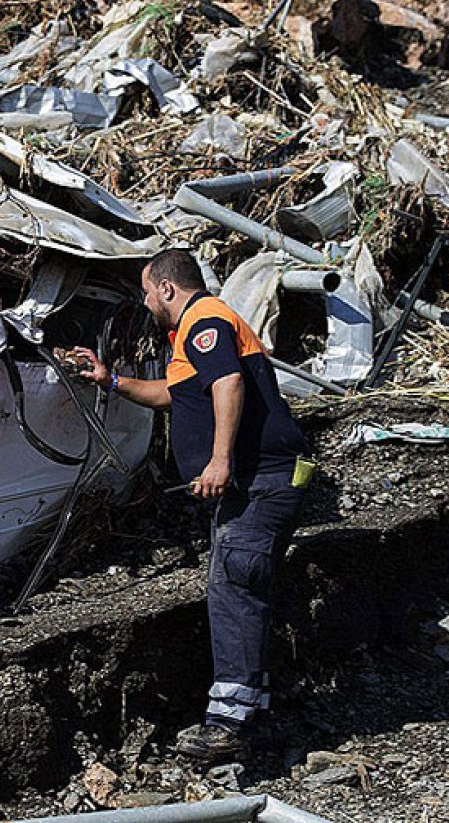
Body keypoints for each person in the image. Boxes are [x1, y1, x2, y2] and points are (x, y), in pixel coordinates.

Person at [70, 248, 311, 761]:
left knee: (234, 589)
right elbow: (170, 395)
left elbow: (227, 382)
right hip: (262, 483)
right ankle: (255, 719)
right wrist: (110, 380)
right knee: (245, 588)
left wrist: (220, 459)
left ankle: (228, 724)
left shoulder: (205, 319)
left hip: (256, 482)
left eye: (145, 290)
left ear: (165, 288)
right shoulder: (192, 335)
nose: (144, 300)